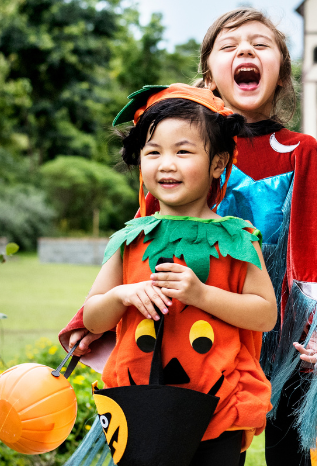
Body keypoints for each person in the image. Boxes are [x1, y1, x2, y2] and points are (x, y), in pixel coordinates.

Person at [61, 8, 317, 466]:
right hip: (188, 333)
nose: (245, 50)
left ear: (282, 74)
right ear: (208, 73)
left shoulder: (298, 149)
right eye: (229, 45)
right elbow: (144, 239)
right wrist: (96, 319)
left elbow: (315, 246)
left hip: (279, 329)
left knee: (286, 452)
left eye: (261, 45)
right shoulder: (173, 144)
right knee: (174, 440)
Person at [75, 84, 277, 465]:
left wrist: (202, 296)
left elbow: (265, 314)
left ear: (218, 163)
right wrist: (122, 296)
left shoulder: (238, 237)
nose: (166, 163)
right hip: (140, 408)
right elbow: (92, 317)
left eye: (183, 151)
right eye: (153, 152)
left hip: (220, 409)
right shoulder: (130, 237)